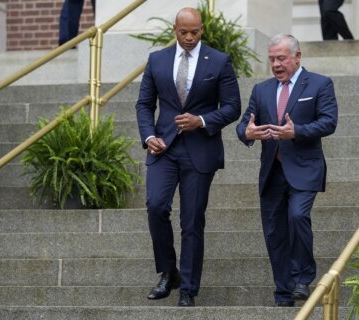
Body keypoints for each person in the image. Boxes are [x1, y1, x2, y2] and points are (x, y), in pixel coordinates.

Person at [135, 7, 241, 307]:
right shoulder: (157, 60)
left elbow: (233, 106)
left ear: (202, 29)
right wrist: (148, 136)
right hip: (163, 149)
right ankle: (169, 273)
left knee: (192, 220)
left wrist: (203, 121)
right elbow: (144, 104)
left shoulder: (219, 61)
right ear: (175, 30)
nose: (190, 37)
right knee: (156, 207)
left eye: (195, 32)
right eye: (184, 32)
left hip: (200, 149)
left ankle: (188, 289)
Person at [236, 34, 338, 307]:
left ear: (297, 56)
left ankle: (303, 278)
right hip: (272, 171)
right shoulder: (262, 90)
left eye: (281, 58)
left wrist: (298, 131)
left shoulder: (319, 84)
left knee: (297, 216)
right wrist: (246, 132)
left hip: (305, 168)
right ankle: (283, 292)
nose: (276, 64)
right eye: (272, 59)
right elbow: (245, 123)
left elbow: (329, 122)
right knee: (274, 233)